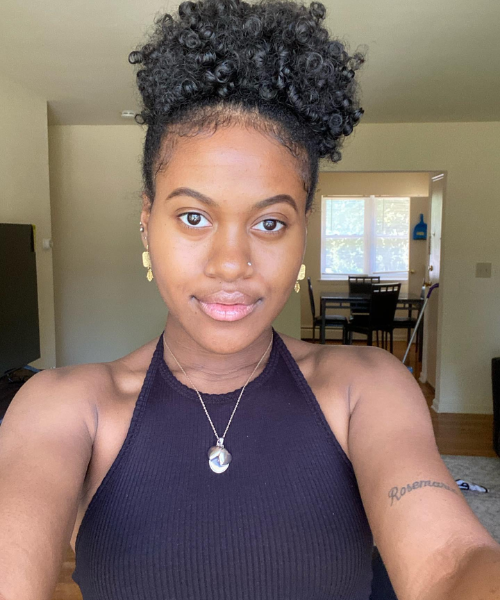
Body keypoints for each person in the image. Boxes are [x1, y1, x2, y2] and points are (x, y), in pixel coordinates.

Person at [1, 0, 499, 599]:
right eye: (193, 216)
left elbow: (452, 561)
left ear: (302, 234)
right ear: (146, 223)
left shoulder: (368, 388)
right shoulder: (63, 407)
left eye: (269, 223)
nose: (231, 263)